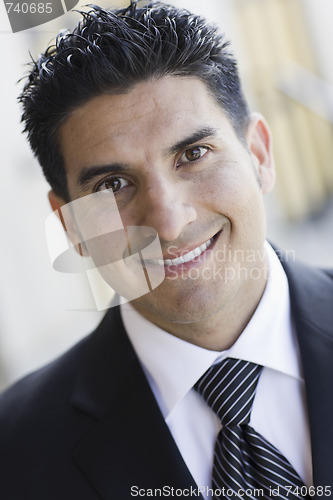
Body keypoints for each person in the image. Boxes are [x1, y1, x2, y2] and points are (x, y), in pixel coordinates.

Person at [0, 2, 332, 499]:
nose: (168, 223)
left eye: (193, 154)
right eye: (112, 184)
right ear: (71, 224)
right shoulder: (14, 451)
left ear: (259, 155)